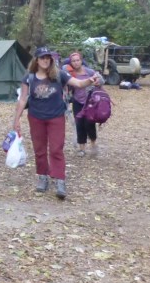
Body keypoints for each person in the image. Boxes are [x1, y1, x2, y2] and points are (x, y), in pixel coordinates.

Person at [12, 46, 98, 200]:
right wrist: (16, 119)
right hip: (36, 117)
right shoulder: (29, 77)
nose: (45, 60)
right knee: (39, 149)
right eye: (42, 57)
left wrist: (89, 81)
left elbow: (78, 83)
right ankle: (43, 177)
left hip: (56, 117)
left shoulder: (59, 74)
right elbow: (23, 99)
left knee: (56, 149)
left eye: (48, 58)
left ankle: (60, 180)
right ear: (36, 60)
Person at [64, 51, 104, 157]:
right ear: (71, 62)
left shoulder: (89, 72)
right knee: (79, 124)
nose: (76, 63)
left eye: (78, 60)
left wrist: (97, 82)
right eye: (73, 61)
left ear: (81, 61)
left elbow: (101, 80)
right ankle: (82, 148)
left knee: (89, 123)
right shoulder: (70, 74)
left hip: (90, 102)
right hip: (77, 101)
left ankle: (93, 144)